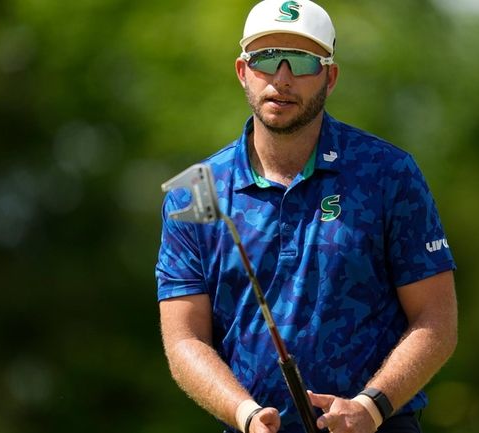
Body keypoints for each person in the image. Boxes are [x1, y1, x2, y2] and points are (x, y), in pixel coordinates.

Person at [155, 1, 458, 432]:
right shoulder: (196, 194)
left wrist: (371, 406)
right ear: (243, 71)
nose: (281, 78)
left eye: (300, 61)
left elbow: (437, 319)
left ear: (329, 77)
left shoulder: (389, 174)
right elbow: (185, 339)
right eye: (265, 59)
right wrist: (244, 414)